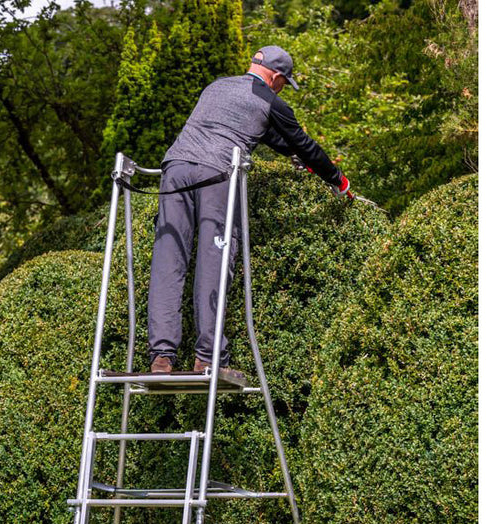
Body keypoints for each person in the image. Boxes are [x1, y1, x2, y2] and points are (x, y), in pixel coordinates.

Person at [148, 45, 351, 375]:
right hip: (215, 173)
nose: (283, 88)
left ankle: (162, 356)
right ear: (275, 77)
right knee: (214, 260)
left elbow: (260, 131)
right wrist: (338, 180)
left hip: (174, 169)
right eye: (285, 82)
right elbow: (304, 144)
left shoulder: (216, 87)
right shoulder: (271, 100)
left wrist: (293, 156)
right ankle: (208, 357)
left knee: (168, 259)